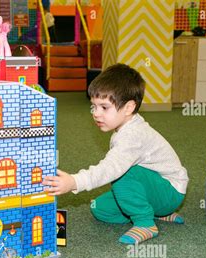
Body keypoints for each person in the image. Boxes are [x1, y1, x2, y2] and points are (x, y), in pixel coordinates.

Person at [43, 63, 189, 245]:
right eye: (93, 107)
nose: (96, 114)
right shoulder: (125, 126)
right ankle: (156, 211)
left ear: (128, 108)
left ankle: (145, 223)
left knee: (122, 173)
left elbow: (111, 168)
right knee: (100, 209)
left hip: (170, 192)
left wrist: (75, 181)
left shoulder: (133, 136)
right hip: (155, 190)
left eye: (104, 107)